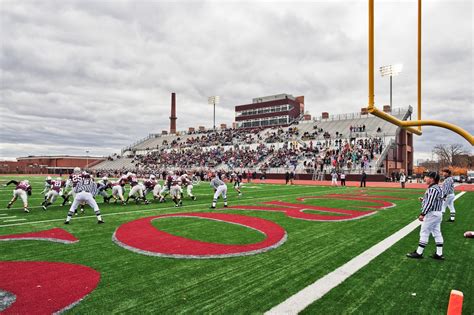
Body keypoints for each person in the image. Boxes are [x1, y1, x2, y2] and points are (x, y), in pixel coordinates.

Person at [407, 172, 444, 260]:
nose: (425, 178)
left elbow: (430, 203)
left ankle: (419, 252)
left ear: (432, 179)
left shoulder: (433, 189)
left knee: (424, 232)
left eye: (426, 177)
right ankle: (439, 253)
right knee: (437, 233)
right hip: (438, 213)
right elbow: (435, 200)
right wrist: (424, 200)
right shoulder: (438, 188)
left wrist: (423, 214)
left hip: (432, 213)